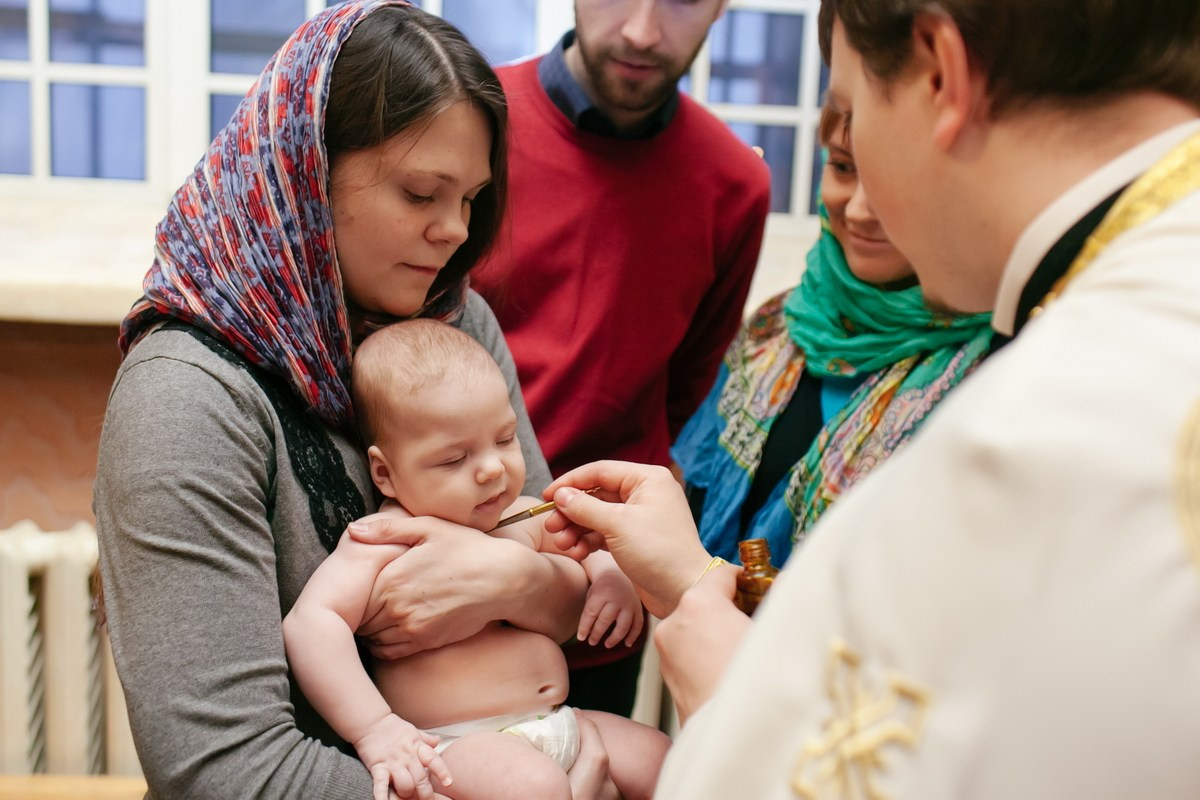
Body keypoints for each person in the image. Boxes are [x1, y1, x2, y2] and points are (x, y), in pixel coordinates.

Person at [516, 0, 1200, 796]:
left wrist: (727, 679)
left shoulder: (1034, 428)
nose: (859, 193)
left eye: (855, 103)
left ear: (940, 74)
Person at [92, 4, 617, 797]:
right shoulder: (186, 399)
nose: (453, 231)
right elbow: (224, 770)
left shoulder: (453, 318)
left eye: (471, 198)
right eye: (419, 193)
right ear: (303, 175)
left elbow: (545, 548)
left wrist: (518, 584)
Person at [469, 0, 772, 718]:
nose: (641, 31)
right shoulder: (468, 122)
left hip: (601, 606)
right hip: (434, 572)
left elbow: (687, 394)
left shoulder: (736, 186)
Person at [285, 319, 669, 800]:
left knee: (667, 761)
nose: (492, 469)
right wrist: (374, 728)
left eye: (505, 439)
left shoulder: (521, 514)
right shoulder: (384, 540)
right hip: (457, 745)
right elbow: (312, 623)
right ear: (384, 472)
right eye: (453, 459)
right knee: (538, 788)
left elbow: (592, 546)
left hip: (559, 720)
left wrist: (611, 581)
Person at [673, 101, 992, 568]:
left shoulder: (997, 366)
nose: (861, 209)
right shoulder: (777, 325)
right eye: (843, 167)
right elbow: (692, 495)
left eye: (895, 176)